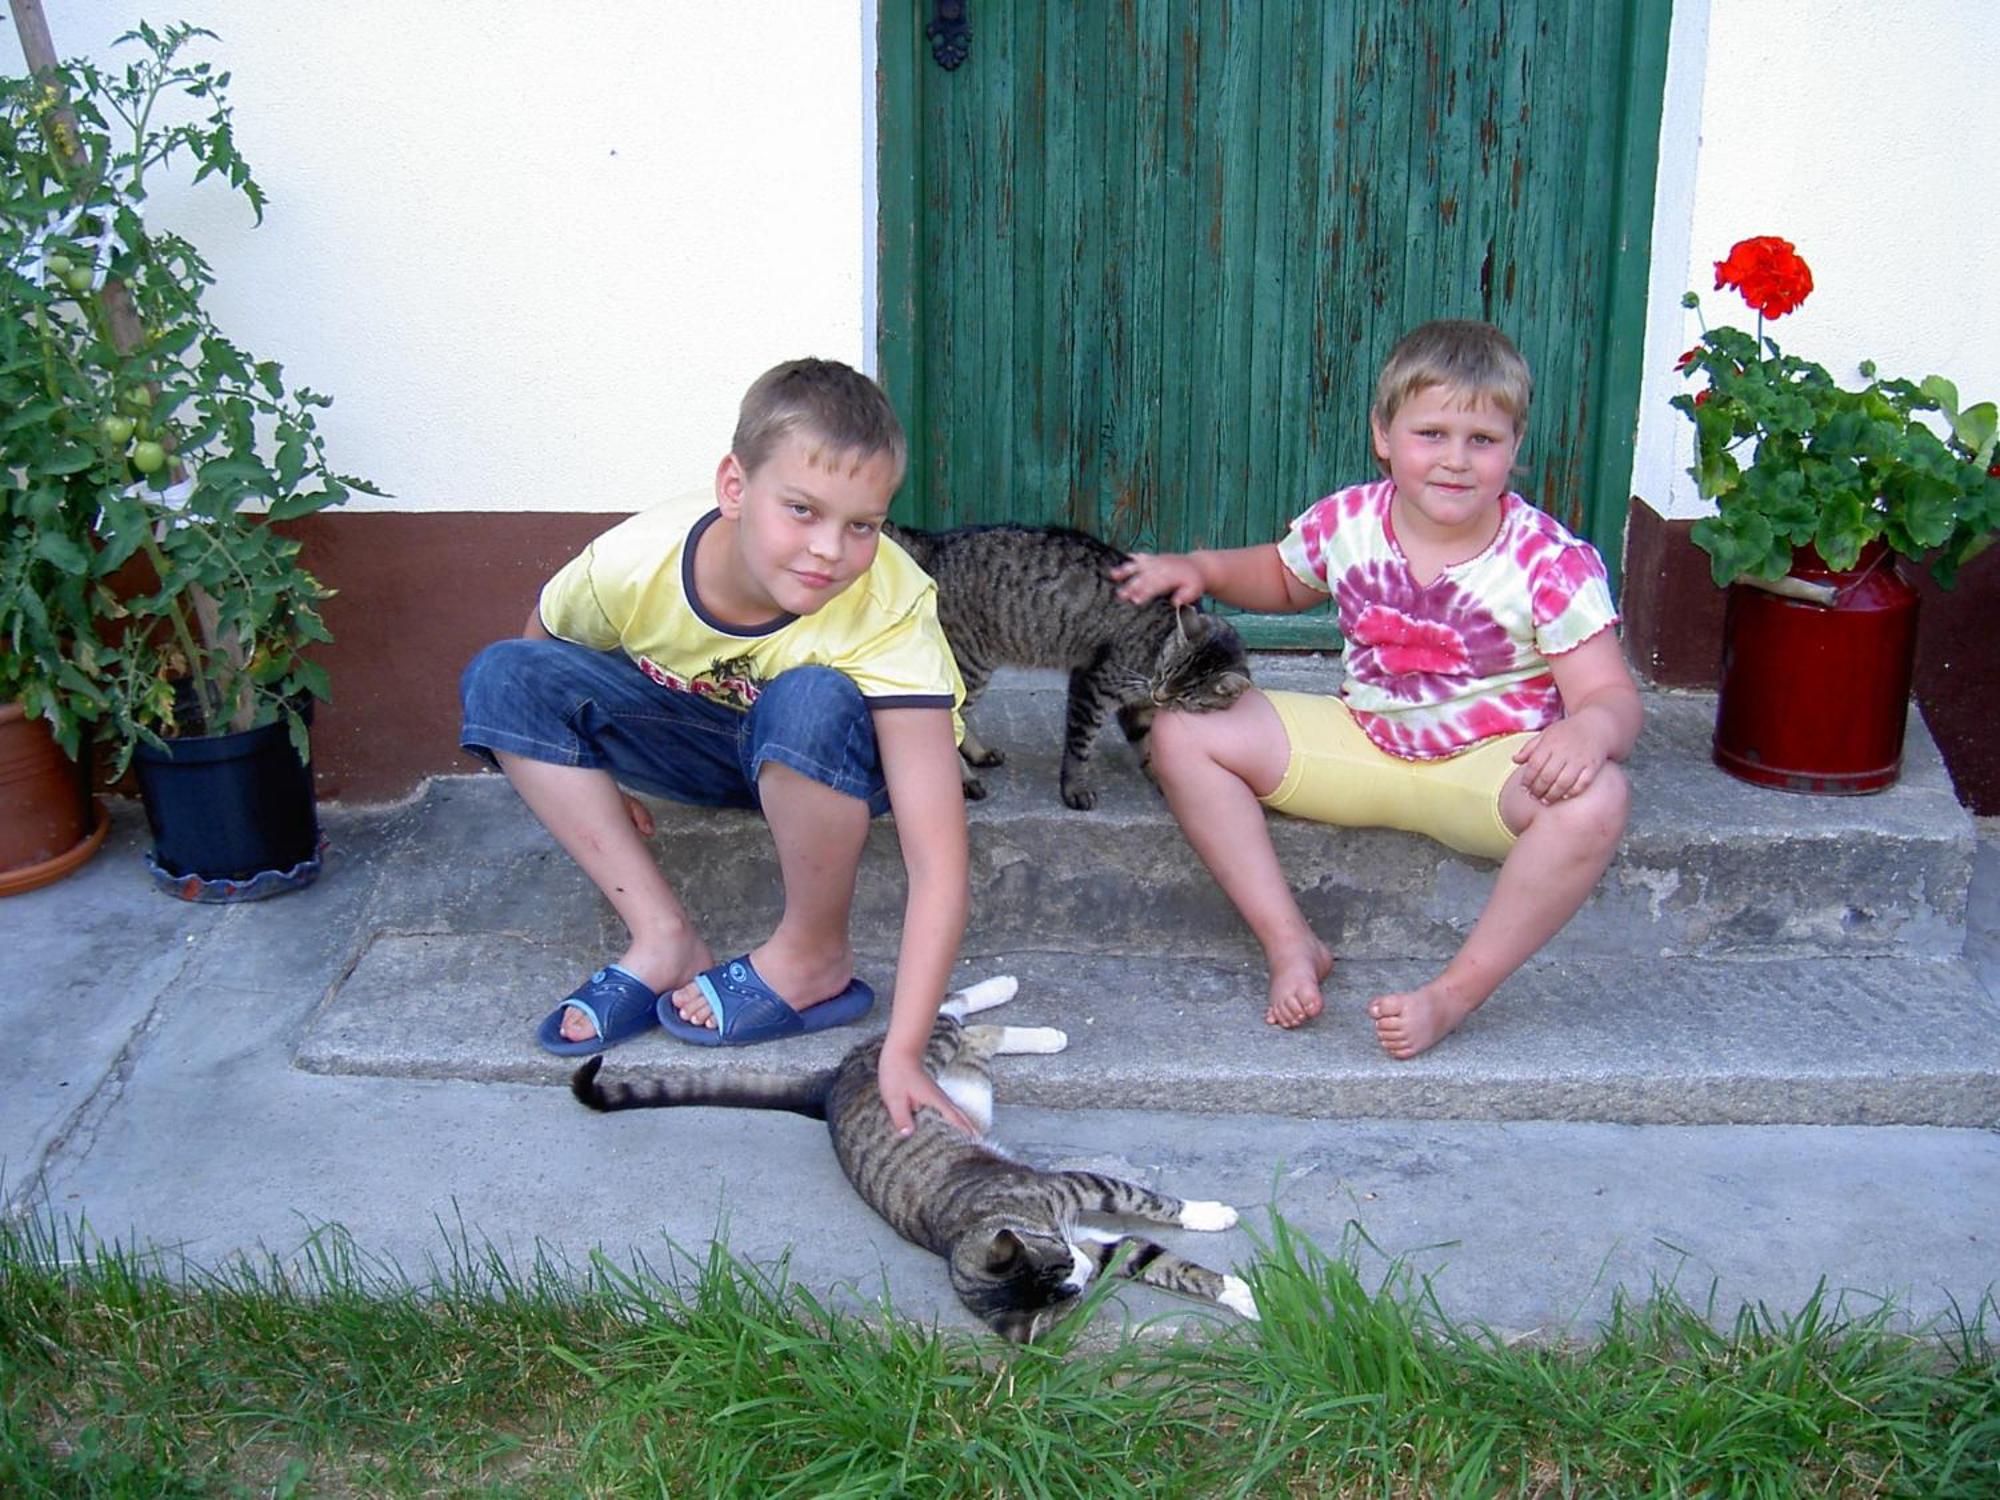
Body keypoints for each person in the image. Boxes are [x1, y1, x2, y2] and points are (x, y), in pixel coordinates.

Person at [459, 357, 973, 1133]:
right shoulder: (636, 560)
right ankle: (662, 938)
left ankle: (813, 957)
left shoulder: (889, 606)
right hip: (697, 743)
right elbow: (538, 658)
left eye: (862, 524)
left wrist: (902, 1052)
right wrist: (593, 781)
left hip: (828, 765)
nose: (831, 549)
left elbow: (938, 858)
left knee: (808, 694)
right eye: (802, 509)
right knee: (499, 673)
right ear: (734, 488)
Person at [1111, 320, 1642, 1059]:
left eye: (1482, 440)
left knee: (1598, 801)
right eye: (1431, 434)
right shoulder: (1351, 521)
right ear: (1383, 434)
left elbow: (1612, 695)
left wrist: (1589, 730)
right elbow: (1279, 577)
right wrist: (1202, 570)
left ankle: (1451, 997)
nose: (1455, 461)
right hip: (1362, 743)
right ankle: (1290, 942)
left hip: (1491, 772)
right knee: (1181, 730)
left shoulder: (1550, 561)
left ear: (1515, 447)